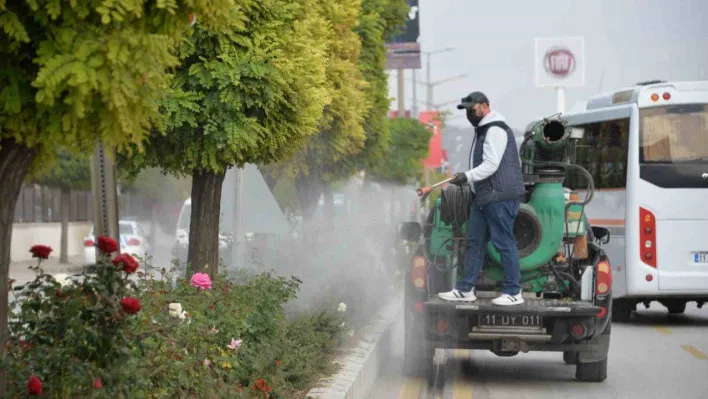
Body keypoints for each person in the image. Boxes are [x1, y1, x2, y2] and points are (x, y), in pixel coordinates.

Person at [437, 91, 526, 306]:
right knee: (475, 243)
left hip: (499, 196)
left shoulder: (495, 129)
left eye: (472, 108)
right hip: (485, 196)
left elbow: (491, 165)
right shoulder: (484, 130)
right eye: (466, 109)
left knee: (504, 243)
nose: (469, 113)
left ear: (485, 106)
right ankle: (465, 289)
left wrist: (466, 177)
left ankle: (514, 292)